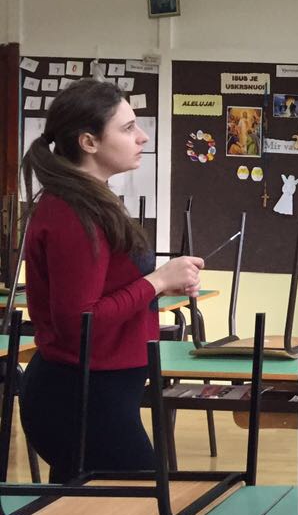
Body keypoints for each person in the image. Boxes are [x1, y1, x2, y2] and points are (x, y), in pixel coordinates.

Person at [19, 80, 204, 482]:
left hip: (101, 389)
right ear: (89, 142)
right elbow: (79, 322)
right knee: (145, 504)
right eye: (127, 128)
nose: (142, 137)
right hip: (80, 394)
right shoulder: (72, 211)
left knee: (81, 511)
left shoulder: (91, 199)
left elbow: (105, 291)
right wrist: (156, 282)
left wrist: (159, 283)